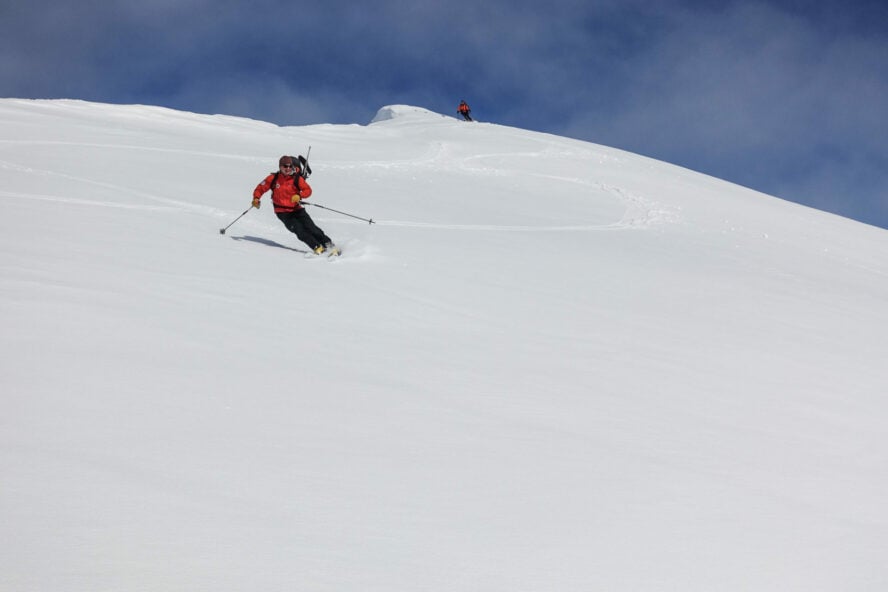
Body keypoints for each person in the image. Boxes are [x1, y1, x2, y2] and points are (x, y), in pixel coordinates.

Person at [252, 155, 336, 254]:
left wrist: (299, 195)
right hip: (282, 213)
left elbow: (308, 190)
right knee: (299, 231)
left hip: (297, 209)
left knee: (312, 228)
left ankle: (329, 245)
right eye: (285, 166)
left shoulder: (296, 179)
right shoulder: (273, 178)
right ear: (280, 167)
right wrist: (256, 198)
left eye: (289, 166)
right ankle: (317, 247)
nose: (288, 168)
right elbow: (260, 188)